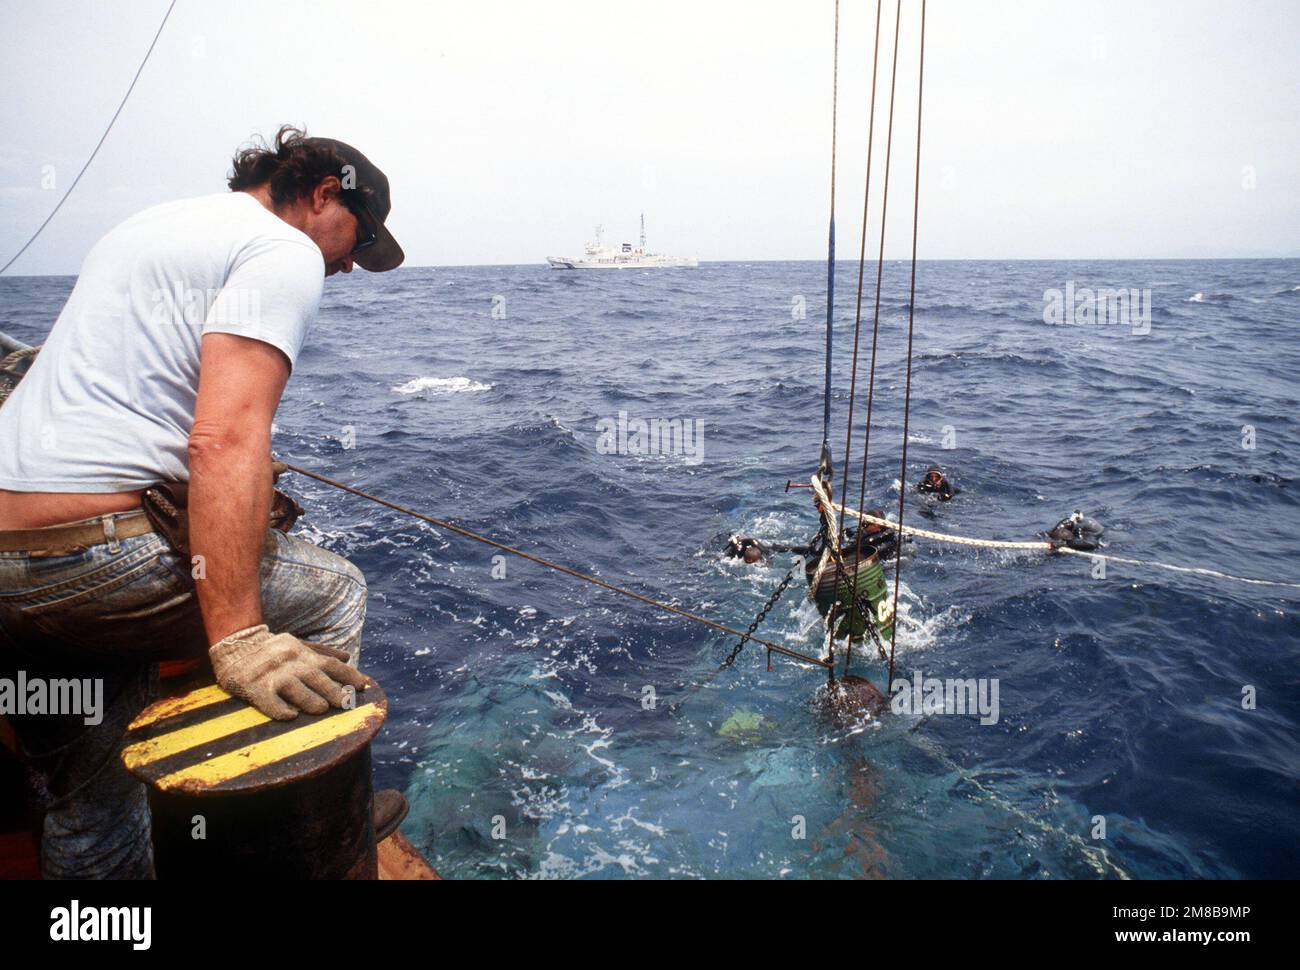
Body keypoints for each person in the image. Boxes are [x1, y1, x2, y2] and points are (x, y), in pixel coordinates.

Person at [0, 126, 403, 879]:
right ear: (323, 194)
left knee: (87, 808)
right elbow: (222, 438)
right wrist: (240, 640)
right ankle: (314, 819)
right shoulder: (281, 250)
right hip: (94, 562)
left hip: (9, 566)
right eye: (361, 235)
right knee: (335, 592)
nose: (351, 261)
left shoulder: (149, 225)